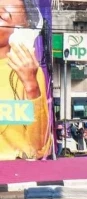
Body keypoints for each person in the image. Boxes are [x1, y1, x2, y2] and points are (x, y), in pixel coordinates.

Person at [0, 0, 52, 160]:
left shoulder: (28, 72)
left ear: (21, 32)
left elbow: (39, 148)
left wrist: (31, 86)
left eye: (2, 16)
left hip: (13, 177)